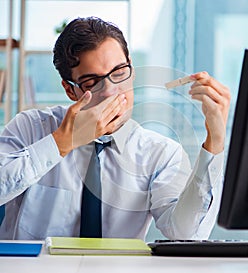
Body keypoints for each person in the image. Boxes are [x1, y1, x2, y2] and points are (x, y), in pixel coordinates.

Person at [0, 17, 230, 240]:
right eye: (91, 82)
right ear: (70, 90)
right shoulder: (29, 128)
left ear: (132, 69)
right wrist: (63, 142)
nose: (111, 91)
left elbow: (186, 233)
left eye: (119, 73)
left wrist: (216, 139)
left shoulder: (159, 153)